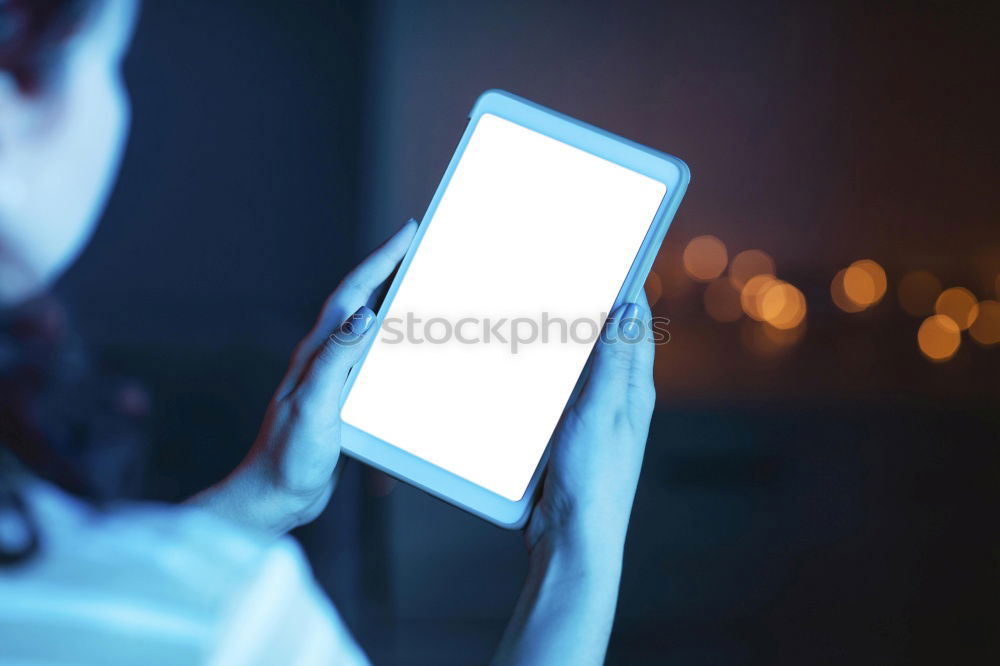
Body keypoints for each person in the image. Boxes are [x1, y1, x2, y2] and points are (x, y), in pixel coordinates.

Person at [0, 1, 656, 664]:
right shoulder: (236, 623)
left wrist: (266, 497)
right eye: (110, 61)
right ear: (15, 97)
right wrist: (579, 550)